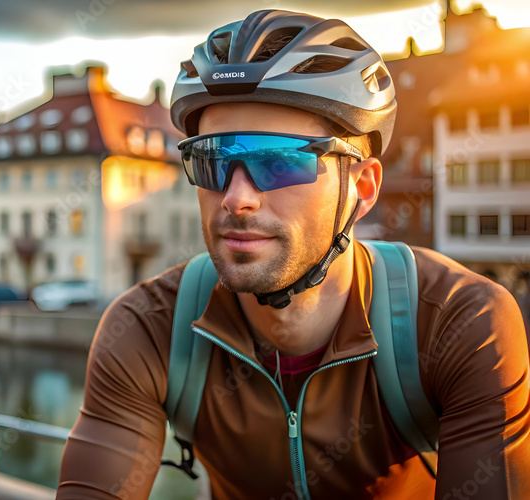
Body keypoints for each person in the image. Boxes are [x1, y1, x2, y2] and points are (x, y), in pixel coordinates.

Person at [57, 9, 530, 499]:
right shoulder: (148, 329)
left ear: (361, 188)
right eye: (212, 160)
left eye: (280, 161)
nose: (236, 197)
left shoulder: (461, 325)